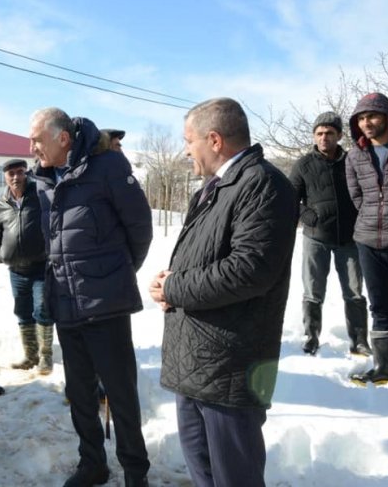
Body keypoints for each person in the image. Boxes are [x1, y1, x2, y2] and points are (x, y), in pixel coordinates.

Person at [149, 98, 297, 487]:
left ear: (214, 139)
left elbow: (250, 271)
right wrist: (169, 284)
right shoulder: (214, 188)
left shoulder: (263, 185)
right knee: (204, 473)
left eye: (188, 140)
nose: (185, 150)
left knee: (235, 478)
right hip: (197, 360)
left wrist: (176, 287)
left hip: (230, 366)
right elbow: (208, 258)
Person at [30, 107, 152, 487]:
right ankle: (92, 463)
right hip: (65, 302)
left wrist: (113, 275)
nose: (32, 148)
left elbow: (140, 228)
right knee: (80, 393)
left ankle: (135, 471)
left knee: (120, 393)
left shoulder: (107, 166)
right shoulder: (44, 178)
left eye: (37, 140)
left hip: (105, 305)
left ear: (63, 139)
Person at [289, 112, 370, 356]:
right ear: (314, 136)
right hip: (316, 238)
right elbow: (290, 197)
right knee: (313, 291)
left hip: (350, 239)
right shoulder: (303, 164)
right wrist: (305, 215)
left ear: (339, 135)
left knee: (354, 292)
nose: (324, 137)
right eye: (320, 133)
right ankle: (311, 337)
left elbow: (367, 190)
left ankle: (359, 341)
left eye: (329, 133)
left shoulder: (353, 161)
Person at [346, 93, 388, 385]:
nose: (366, 123)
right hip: (368, 243)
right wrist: (372, 221)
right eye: (361, 118)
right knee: (379, 306)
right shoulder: (355, 155)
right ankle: (383, 369)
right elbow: (357, 196)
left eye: (372, 116)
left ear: (387, 117)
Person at [0, 158, 54, 374]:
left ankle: (46, 357)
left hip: (40, 267)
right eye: (11, 173)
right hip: (16, 271)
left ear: (26, 173)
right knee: (22, 311)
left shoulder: (39, 195)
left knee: (42, 310)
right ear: (5, 177)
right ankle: (30, 356)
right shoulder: (0, 203)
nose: (16, 177)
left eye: (20, 172)